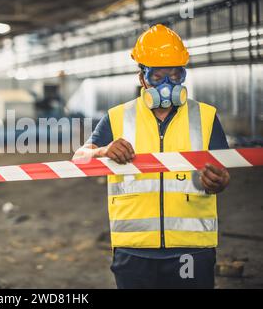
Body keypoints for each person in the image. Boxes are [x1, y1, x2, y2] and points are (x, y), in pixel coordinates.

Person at [73, 24, 230, 289]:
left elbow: (223, 171)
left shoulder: (206, 117)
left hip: (191, 248)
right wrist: (102, 150)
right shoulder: (117, 117)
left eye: (175, 74)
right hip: (133, 250)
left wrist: (220, 181)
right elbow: (79, 159)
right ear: (142, 77)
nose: (168, 84)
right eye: (158, 77)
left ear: (183, 74)